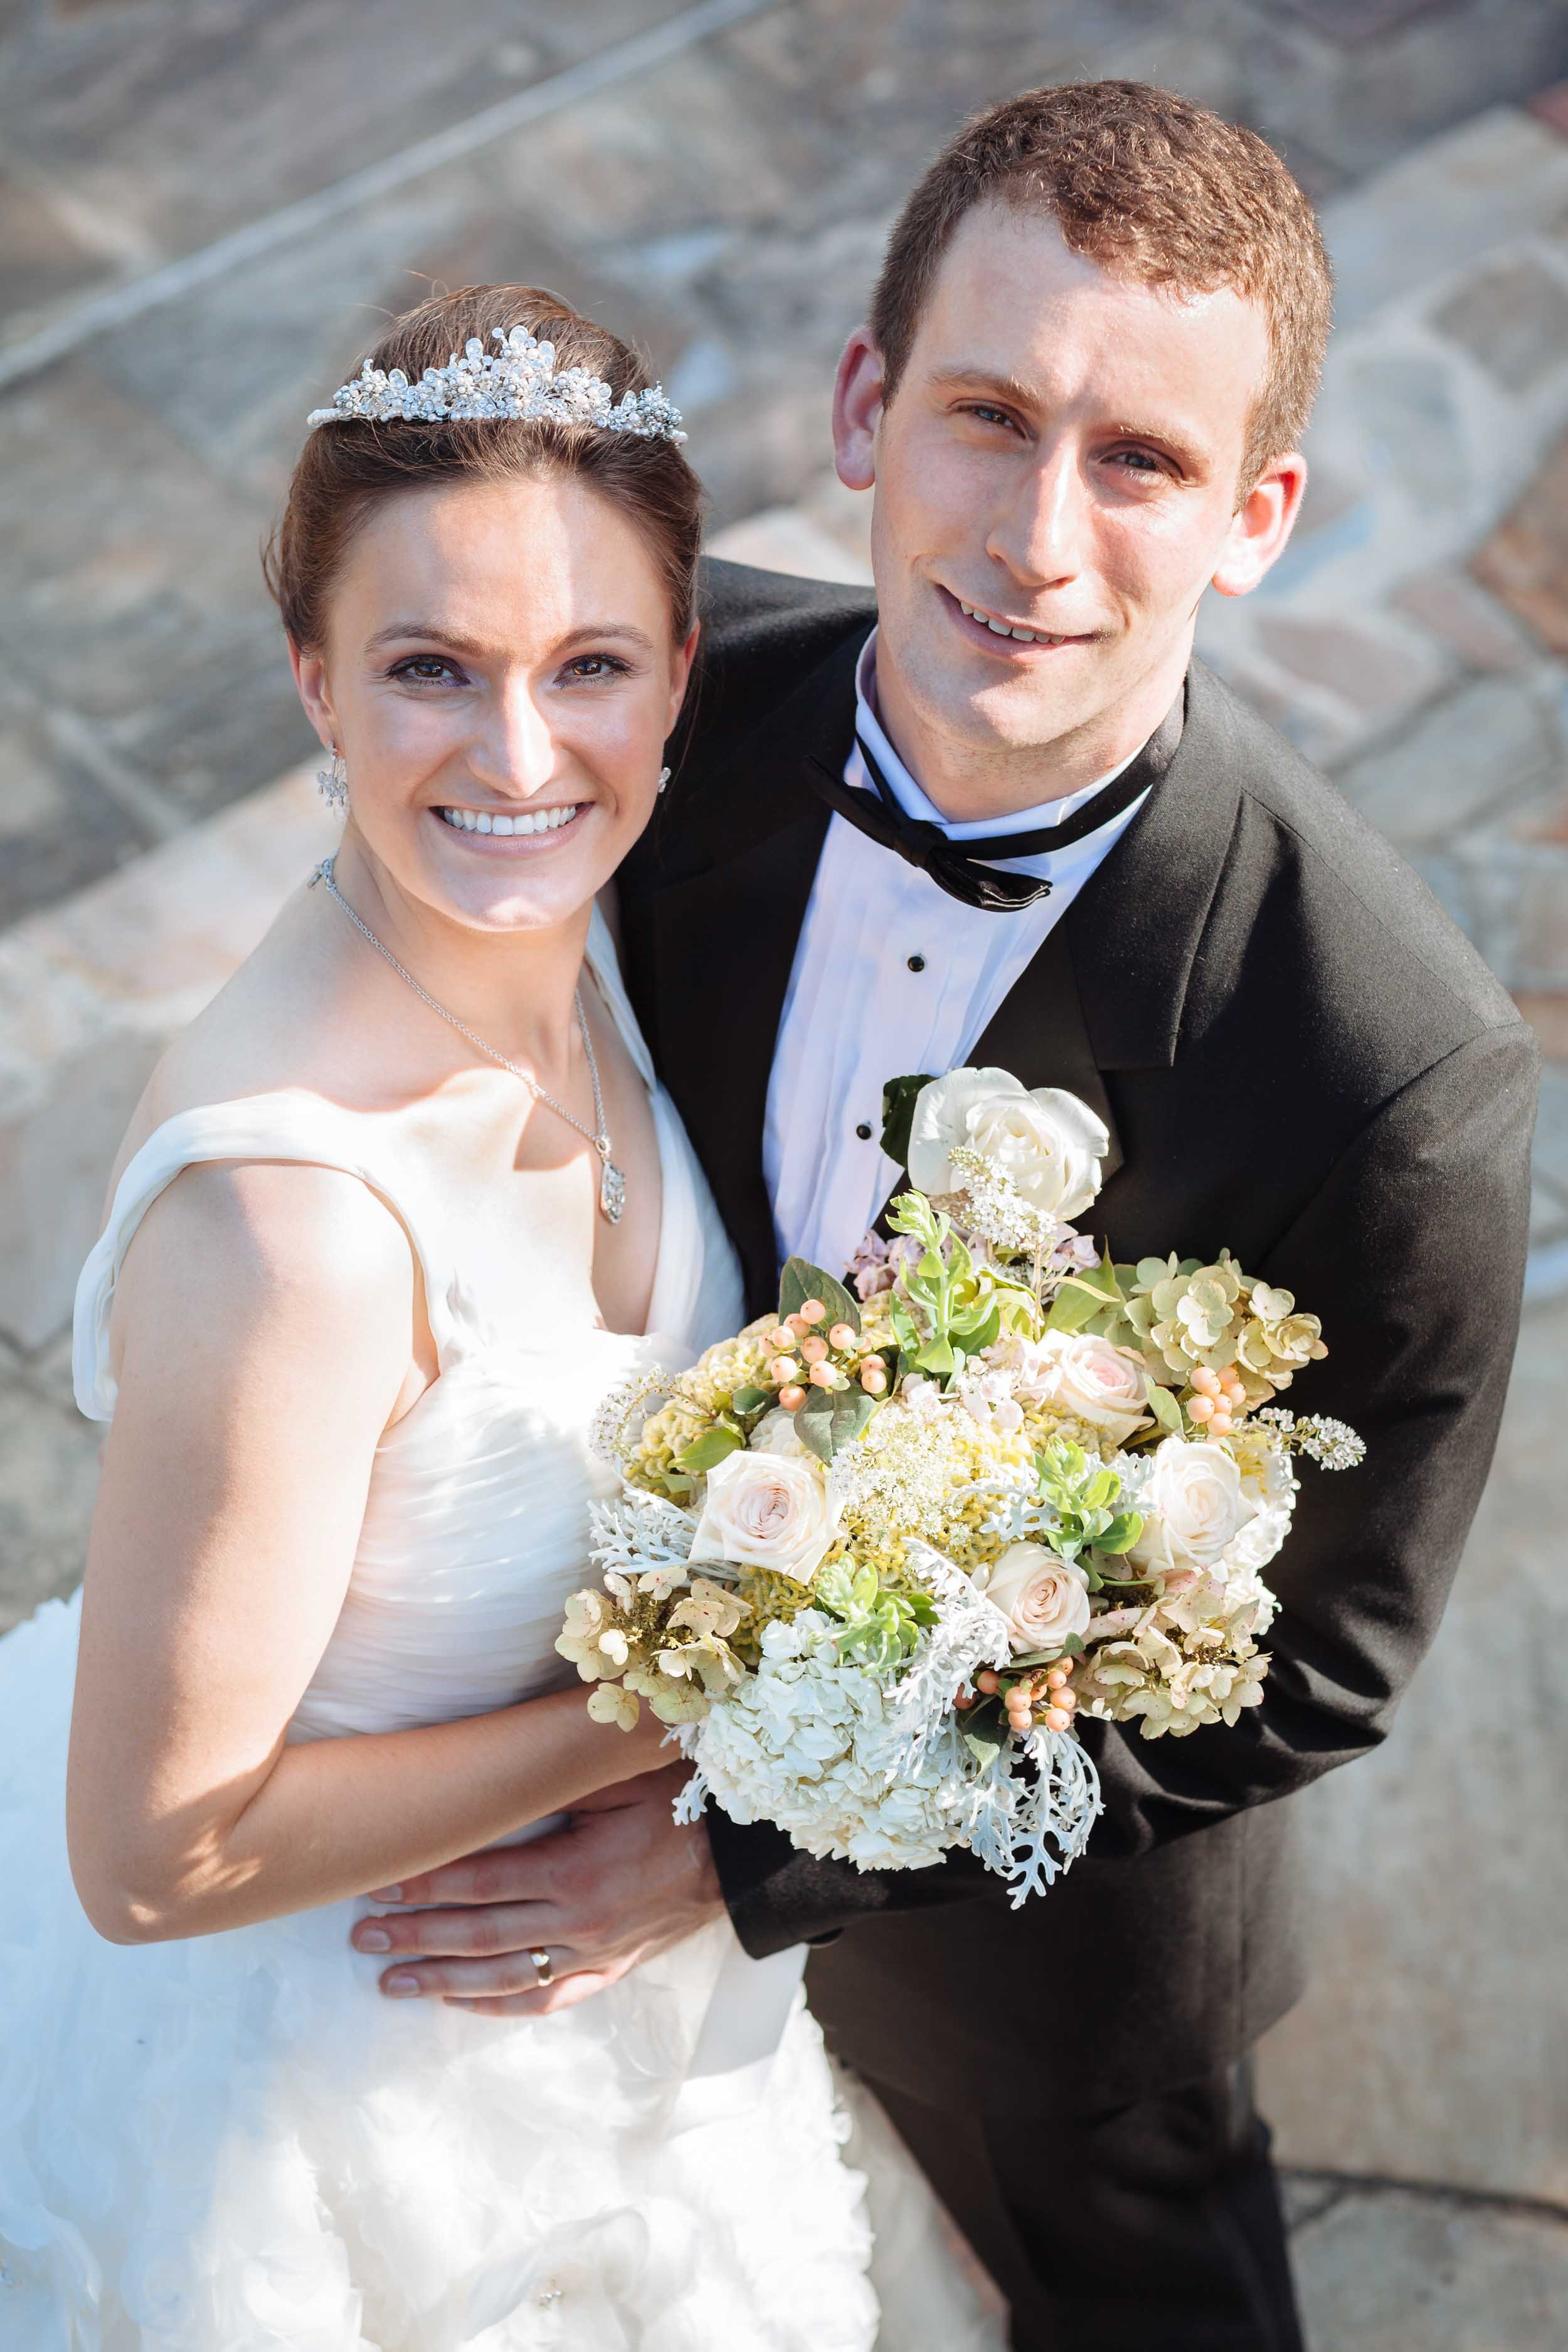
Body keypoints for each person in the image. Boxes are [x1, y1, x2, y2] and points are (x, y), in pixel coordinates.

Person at [363, 85, 1540, 2351]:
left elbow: (1315, 1658)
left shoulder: (1382, 1069)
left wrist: (740, 1858)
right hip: (558, 1711)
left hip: (1026, 1960)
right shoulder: (659, 715)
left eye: (1141, 462)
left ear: (1258, 515)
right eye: (987, 416)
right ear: (860, 410)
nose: (1037, 533)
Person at [0, 287, 1008, 2352]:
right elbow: (156, 1856)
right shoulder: (293, 1226)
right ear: (314, 684)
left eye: (589, 668)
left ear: (679, 679)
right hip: (336, 2072)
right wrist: (678, 1717)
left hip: (616, 2002)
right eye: (429, 672)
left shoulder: (576, 920)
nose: (522, 755)